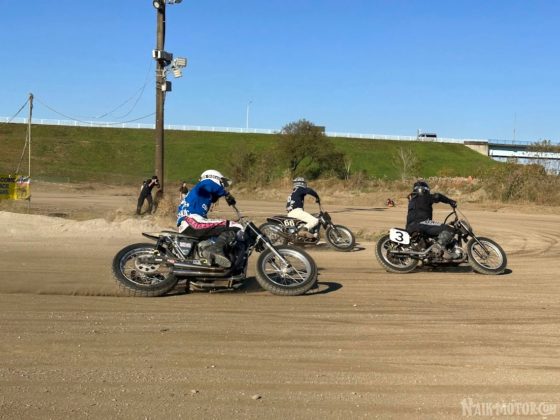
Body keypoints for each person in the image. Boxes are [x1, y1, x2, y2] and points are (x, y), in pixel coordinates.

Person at [176, 169, 240, 268]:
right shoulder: (204, 184)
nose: (222, 186)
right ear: (215, 178)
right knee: (234, 226)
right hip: (193, 222)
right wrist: (226, 194)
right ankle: (215, 250)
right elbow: (210, 185)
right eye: (221, 183)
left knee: (215, 237)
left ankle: (211, 258)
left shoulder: (198, 194)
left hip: (188, 224)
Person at [405, 179, 460, 260]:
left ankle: (433, 254)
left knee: (434, 236)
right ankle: (438, 247)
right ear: (425, 190)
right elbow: (437, 196)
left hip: (410, 227)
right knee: (449, 229)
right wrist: (450, 201)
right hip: (422, 223)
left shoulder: (412, 200)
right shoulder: (424, 197)